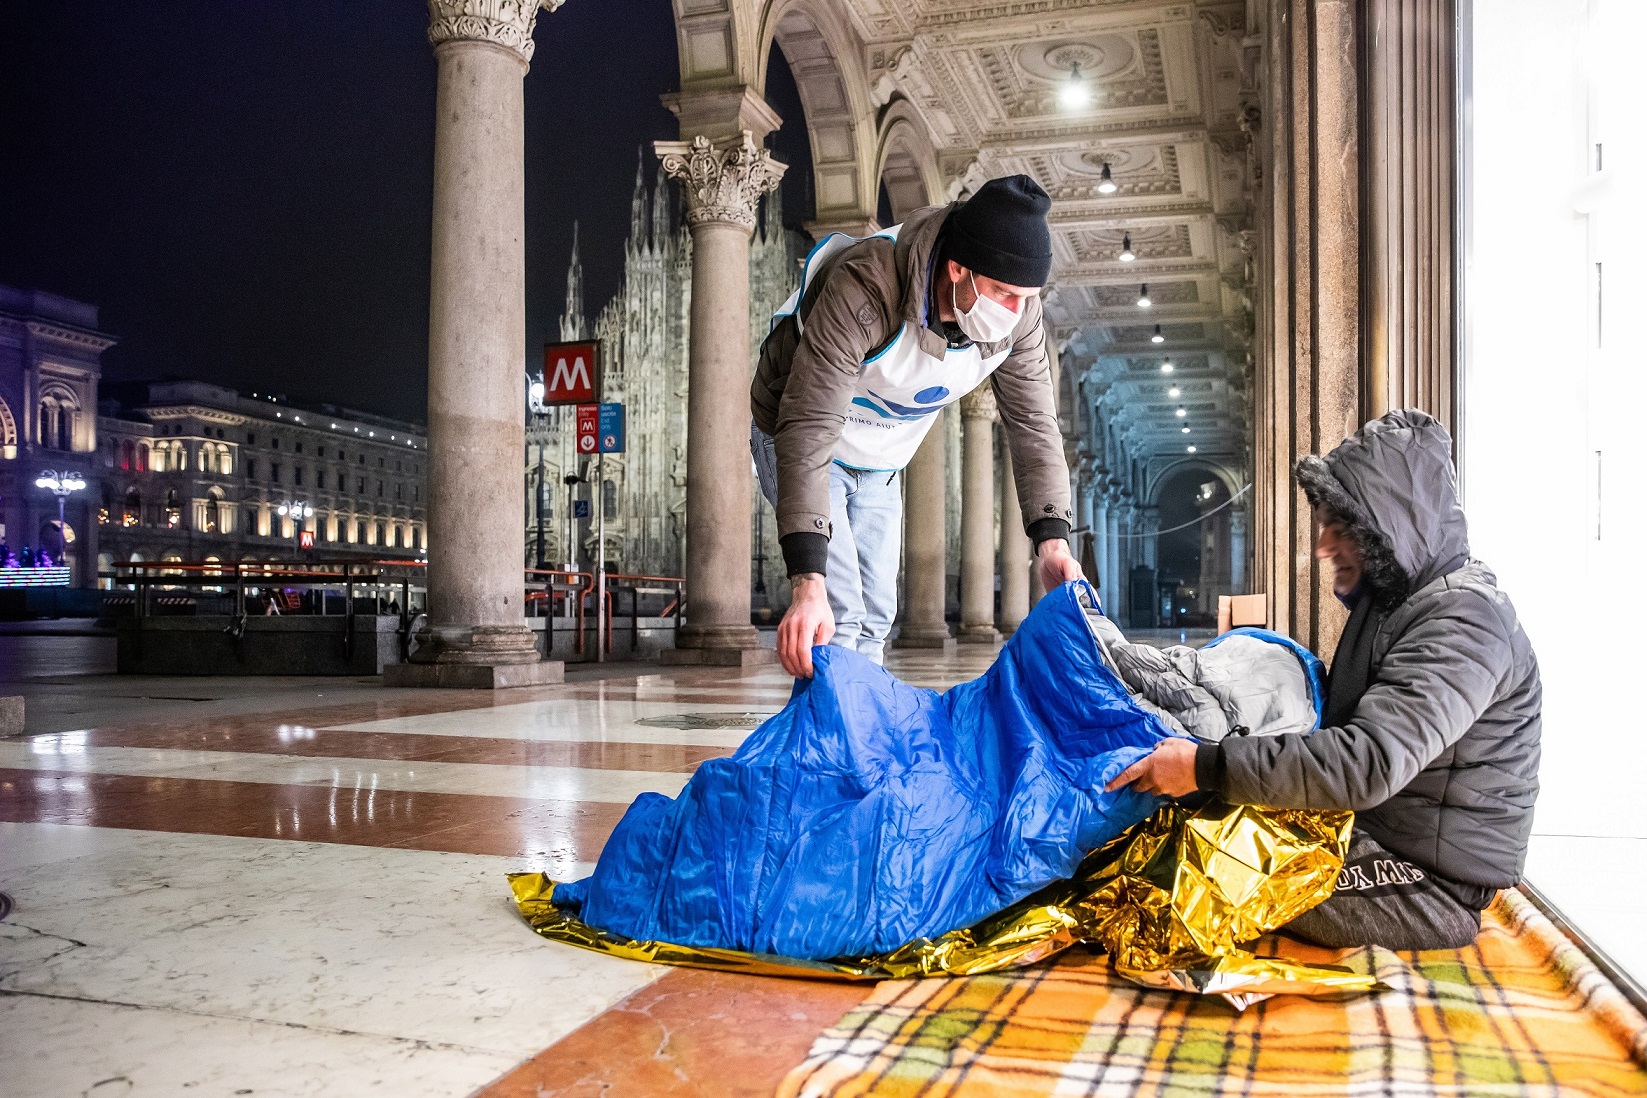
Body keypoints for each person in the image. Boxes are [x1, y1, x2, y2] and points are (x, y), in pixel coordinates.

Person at [1108, 410, 1542, 950]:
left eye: (1338, 530)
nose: (1321, 548)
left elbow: (1367, 762)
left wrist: (1205, 764)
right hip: (1377, 833)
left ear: (1388, 528)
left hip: (1429, 883)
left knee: (1189, 878)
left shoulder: (1465, 621)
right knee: (1184, 831)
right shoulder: (1398, 605)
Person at [751, 175, 1082, 679]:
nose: (1015, 312)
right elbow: (809, 422)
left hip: (881, 460)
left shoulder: (1020, 318)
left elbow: (1034, 422)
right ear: (958, 270)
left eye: (1027, 297)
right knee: (836, 616)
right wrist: (806, 579)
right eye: (1004, 293)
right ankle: (832, 747)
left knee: (877, 618)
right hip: (800, 439)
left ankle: (862, 735)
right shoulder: (868, 284)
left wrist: (1052, 539)